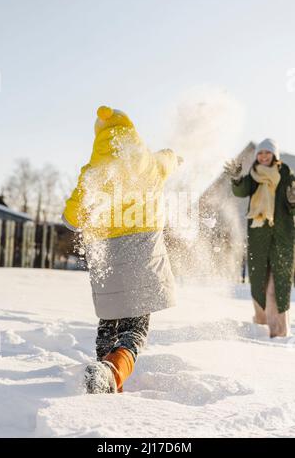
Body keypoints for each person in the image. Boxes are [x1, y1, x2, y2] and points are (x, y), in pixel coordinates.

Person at [62, 105, 182, 393]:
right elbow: (170, 158)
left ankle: (102, 369)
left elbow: (71, 219)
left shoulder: (91, 173)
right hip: (143, 258)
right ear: (132, 133)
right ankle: (111, 373)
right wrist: (177, 158)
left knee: (109, 319)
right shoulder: (151, 164)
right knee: (134, 329)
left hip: (106, 260)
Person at [224, 138, 295, 337]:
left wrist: (292, 201)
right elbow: (240, 191)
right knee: (259, 284)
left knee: (277, 287)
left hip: (282, 239)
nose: (263, 156)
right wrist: (237, 178)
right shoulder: (253, 177)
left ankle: (279, 331)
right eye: (260, 153)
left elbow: (293, 205)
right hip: (259, 238)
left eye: (267, 153)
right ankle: (261, 327)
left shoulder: (287, 175)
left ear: (275, 155)